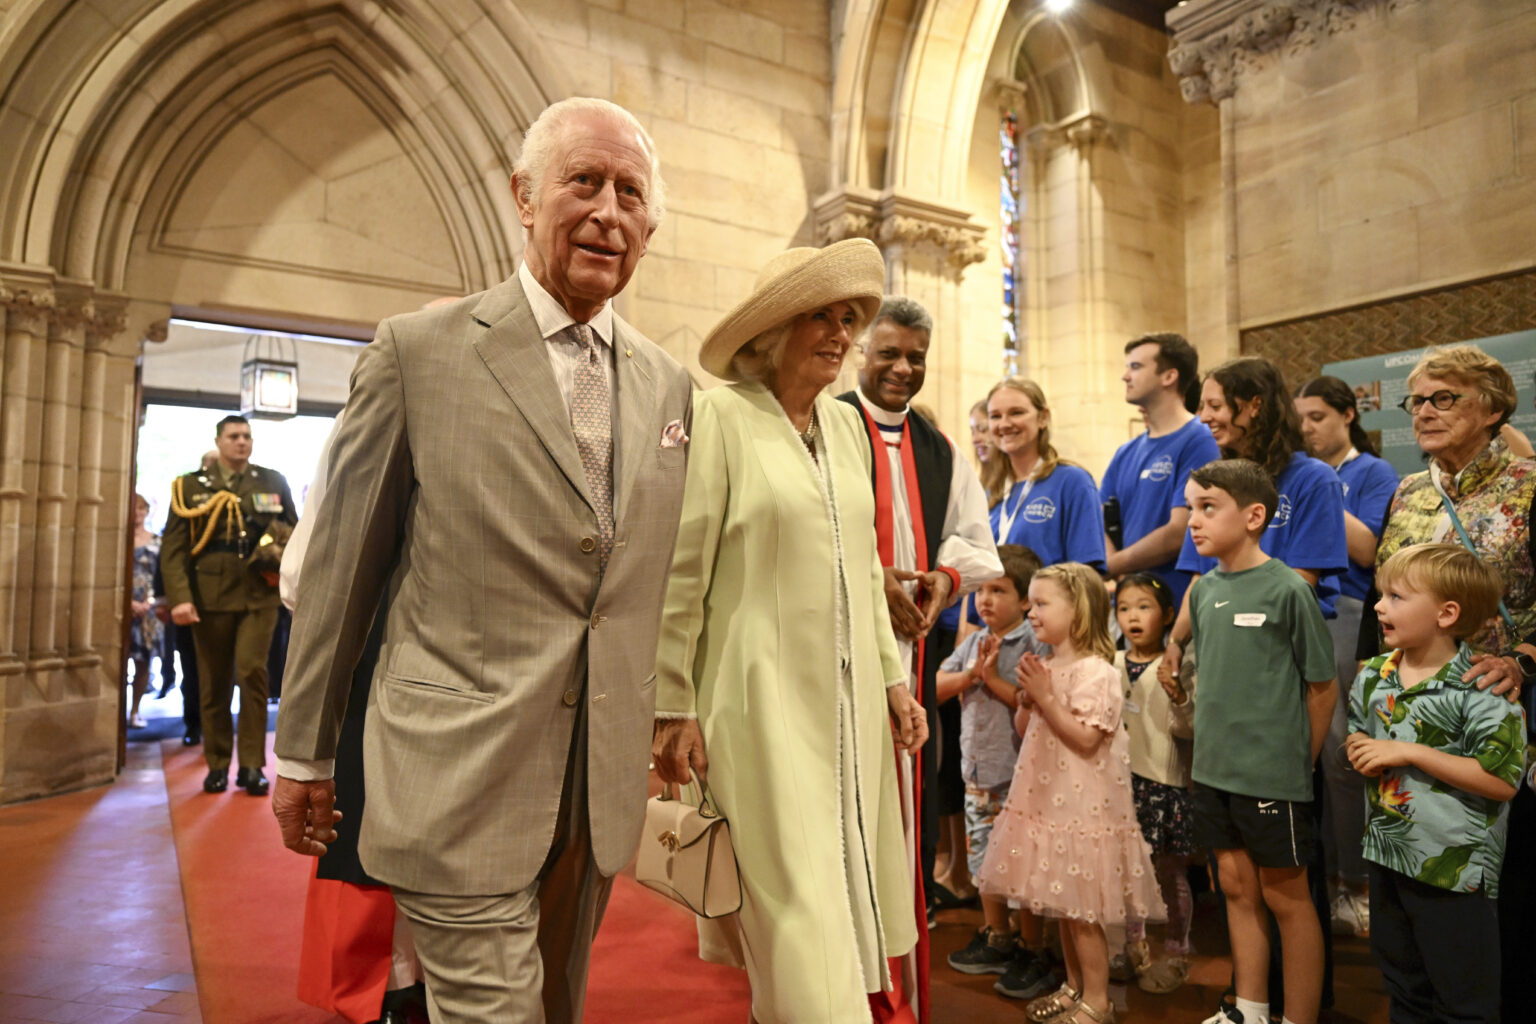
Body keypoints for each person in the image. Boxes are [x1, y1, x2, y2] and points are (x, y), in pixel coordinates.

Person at [271, 97, 693, 1024]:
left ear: (651, 228)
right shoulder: (418, 354)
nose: (609, 211)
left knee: (557, 1004)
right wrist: (303, 750)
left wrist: (673, 708)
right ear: (524, 197)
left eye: (631, 193)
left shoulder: (669, 385)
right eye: (584, 181)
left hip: (596, 786)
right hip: (454, 773)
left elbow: (650, 582)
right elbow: (340, 572)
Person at [651, 238, 928, 1024]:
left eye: (849, 318)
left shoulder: (846, 430)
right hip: (755, 704)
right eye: (821, 316)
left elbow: (867, 576)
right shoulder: (721, 417)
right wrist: (673, 705)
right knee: (794, 906)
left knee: (842, 886)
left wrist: (893, 683)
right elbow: (680, 574)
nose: (841, 334)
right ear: (775, 329)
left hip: (844, 715)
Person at [1364, 344, 1536, 1020]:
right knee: (1419, 870)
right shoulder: (1409, 491)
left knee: (1504, 881)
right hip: (1415, 707)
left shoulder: (1528, 484)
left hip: (1501, 701)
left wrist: (1522, 656)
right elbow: (1386, 592)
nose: (1426, 412)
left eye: (1445, 398)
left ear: (1493, 409)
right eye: (1419, 400)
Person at [837, 296, 1002, 947]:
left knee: (907, 793)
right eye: (889, 354)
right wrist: (868, 579)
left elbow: (975, 542)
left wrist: (944, 579)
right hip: (836, 652)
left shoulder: (941, 450)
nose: (903, 368)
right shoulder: (827, 426)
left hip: (913, 652)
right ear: (861, 354)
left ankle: (900, 929)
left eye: (916, 358)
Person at [973, 562, 1165, 1024]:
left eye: (1041, 604)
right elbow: (1027, 730)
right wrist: (1028, 699)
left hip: (1083, 808)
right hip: (1047, 803)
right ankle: (1073, 987)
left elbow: (1084, 738)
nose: (1031, 612)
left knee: (1084, 912)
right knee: (1063, 905)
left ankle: (1097, 1001)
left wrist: (1047, 696)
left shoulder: (1097, 671)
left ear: (1076, 610)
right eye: (1031, 603)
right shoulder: (1050, 664)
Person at [1181, 459, 1337, 1024]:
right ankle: (1248, 1008)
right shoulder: (1205, 591)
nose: (1193, 522)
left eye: (1207, 508)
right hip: (1215, 772)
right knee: (1235, 889)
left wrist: (1301, 763)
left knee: (1288, 900)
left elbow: (1322, 687)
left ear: (1253, 516)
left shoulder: (1287, 589)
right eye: (1191, 508)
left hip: (1273, 777)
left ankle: (1298, 1018)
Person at [1346, 543, 1525, 1024]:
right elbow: (1358, 733)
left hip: (1455, 874)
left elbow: (1503, 780)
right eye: (1381, 594)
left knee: (1464, 1001)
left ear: (1447, 613)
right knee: (1404, 988)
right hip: (1388, 858)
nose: (1380, 606)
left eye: (1398, 596)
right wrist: (1360, 749)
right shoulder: (1375, 677)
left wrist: (1409, 751)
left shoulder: (1484, 689)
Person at [1294, 374, 1400, 937]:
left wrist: (1319, 493)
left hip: (1353, 613)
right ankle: (1320, 875)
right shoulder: (1296, 472)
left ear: (1348, 415)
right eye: (1301, 420)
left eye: (1318, 416)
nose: (1308, 428)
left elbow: (1372, 551)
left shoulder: (1372, 473)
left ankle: (1354, 885)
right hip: (1297, 611)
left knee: (1340, 753)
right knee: (1305, 754)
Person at [160, 415, 297, 795]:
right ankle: (218, 762)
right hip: (210, 597)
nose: (242, 442)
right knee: (214, 679)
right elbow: (173, 550)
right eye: (234, 436)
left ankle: (252, 765)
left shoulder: (272, 481)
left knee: (252, 672)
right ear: (218, 441)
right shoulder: (189, 487)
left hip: (259, 593)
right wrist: (180, 598)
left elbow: (295, 534)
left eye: (247, 436)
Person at [940, 545, 1053, 999]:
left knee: (1020, 868)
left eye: (998, 590)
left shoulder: (1034, 643)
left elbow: (1031, 704)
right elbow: (936, 686)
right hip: (977, 775)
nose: (985, 600)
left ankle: (1032, 946)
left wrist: (991, 680)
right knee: (984, 862)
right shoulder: (971, 644)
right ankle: (996, 935)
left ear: (1025, 600)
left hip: (1017, 779)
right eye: (980, 590)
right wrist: (971, 676)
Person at [1114, 572, 1197, 994]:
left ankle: (1177, 951)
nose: (1133, 616)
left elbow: (1189, 728)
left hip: (1164, 785)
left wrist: (1180, 697)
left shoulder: (1177, 665)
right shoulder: (1110, 663)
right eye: (1124, 608)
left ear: (1167, 614)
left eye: (1143, 607)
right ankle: (1134, 948)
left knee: (1168, 872)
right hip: (1120, 784)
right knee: (1129, 872)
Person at [1101, 333, 1218, 609]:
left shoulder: (1201, 439)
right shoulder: (1125, 452)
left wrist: (1110, 565)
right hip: (1130, 608)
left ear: (1169, 377)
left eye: (1136, 367)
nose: (1125, 376)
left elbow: (1180, 531)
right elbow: (1100, 519)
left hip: (1176, 602)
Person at [980, 378, 1105, 572]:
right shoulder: (991, 492)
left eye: (1016, 413)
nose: (1004, 424)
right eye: (995, 416)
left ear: (1043, 418)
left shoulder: (1072, 482)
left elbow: (1086, 572)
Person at [126, 493, 162, 730]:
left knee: (143, 661)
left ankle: (136, 710)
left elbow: (161, 577)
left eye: (142, 508)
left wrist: (151, 602)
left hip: (149, 608)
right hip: (124, 604)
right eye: (134, 508)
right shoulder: (120, 540)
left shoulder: (157, 541)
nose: (138, 513)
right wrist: (127, 602)